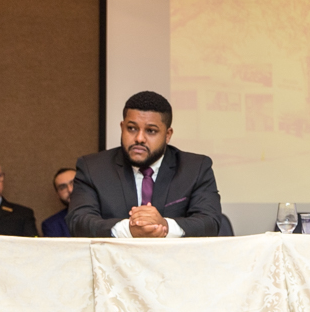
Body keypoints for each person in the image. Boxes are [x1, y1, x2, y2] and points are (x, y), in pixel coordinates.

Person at [69, 91, 222, 238]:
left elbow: (209, 222)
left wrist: (164, 226)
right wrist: (128, 230)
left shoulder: (195, 168)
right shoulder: (93, 168)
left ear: (167, 135)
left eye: (151, 131)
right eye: (131, 128)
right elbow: (78, 221)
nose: (139, 138)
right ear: (122, 127)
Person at [41, 167, 75, 237]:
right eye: (62, 187)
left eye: (74, 183)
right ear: (58, 194)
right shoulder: (52, 225)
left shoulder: (100, 214)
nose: (70, 190)